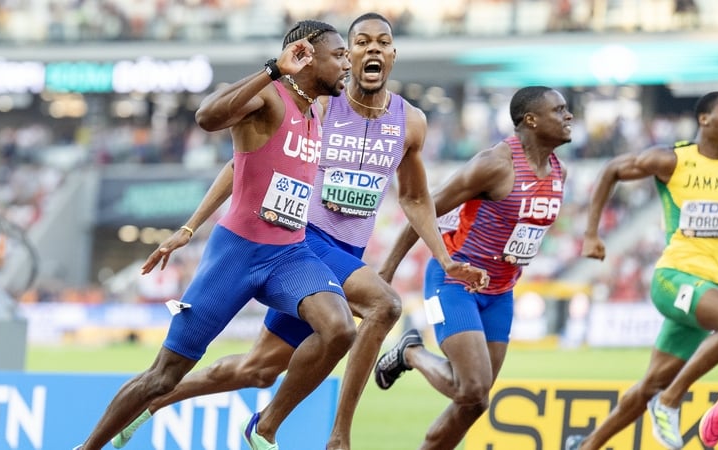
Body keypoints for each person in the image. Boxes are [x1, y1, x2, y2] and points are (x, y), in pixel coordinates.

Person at [109, 13, 489, 450]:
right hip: (301, 242)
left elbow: (417, 199)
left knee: (259, 369)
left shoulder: (410, 122)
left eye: (381, 42)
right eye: (359, 42)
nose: (371, 50)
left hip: (344, 254)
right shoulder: (320, 102)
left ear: (392, 54)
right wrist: (190, 226)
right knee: (383, 306)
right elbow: (242, 164)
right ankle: (331, 434)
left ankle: (155, 401)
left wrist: (444, 258)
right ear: (345, 55)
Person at [74, 20, 356, 450]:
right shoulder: (269, 95)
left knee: (339, 328)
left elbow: (236, 166)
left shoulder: (314, 112)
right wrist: (272, 70)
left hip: (288, 255)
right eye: (338, 55)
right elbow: (207, 117)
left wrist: (189, 226)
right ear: (306, 56)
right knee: (163, 376)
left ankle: (264, 428)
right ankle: (88, 447)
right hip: (237, 256)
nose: (347, 62)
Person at [564, 91, 718, 450]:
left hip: (706, 289)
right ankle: (671, 401)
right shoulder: (673, 160)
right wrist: (592, 233)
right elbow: (612, 169)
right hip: (673, 279)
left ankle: (587, 445)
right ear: (704, 119)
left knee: (649, 385)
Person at [374, 86, 572, 450]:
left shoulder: (559, 171)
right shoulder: (494, 165)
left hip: (500, 292)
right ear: (531, 120)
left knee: (475, 403)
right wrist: (387, 269)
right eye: (559, 110)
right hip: (454, 283)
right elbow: (424, 207)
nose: (569, 116)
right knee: (472, 387)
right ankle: (410, 352)